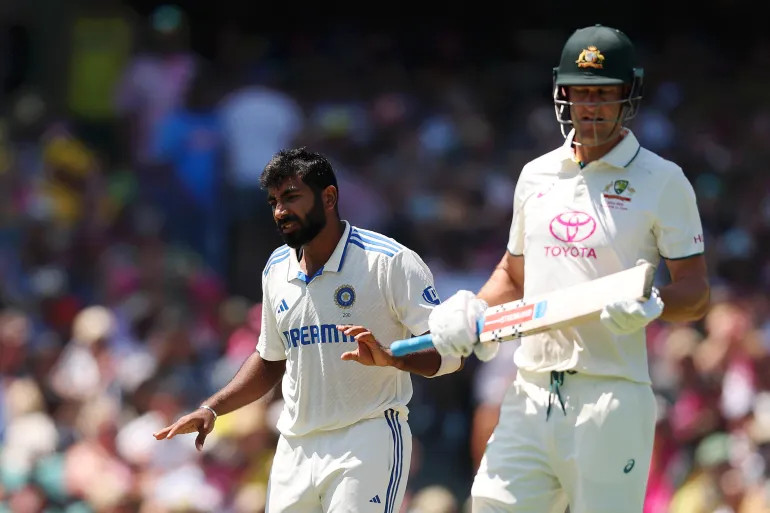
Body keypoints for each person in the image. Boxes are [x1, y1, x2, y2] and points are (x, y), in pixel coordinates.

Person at [427, 24, 710, 513]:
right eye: (581, 93)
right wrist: (474, 308)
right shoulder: (535, 175)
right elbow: (513, 276)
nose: (592, 106)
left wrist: (655, 303)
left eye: (605, 93)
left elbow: (698, 291)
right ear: (563, 95)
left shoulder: (663, 180)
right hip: (529, 389)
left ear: (629, 96)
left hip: (610, 395)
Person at [154, 147, 462, 512]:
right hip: (295, 447)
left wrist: (392, 357)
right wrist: (213, 408)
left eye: (291, 197)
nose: (280, 211)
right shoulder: (276, 269)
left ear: (329, 197)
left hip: (366, 437)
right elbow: (270, 359)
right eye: (273, 201)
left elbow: (449, 352)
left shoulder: (389, 261)